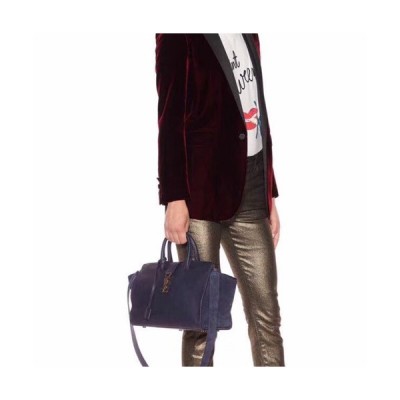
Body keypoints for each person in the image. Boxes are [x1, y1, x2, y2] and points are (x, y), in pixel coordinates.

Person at [155, 33, 285, 366]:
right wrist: (174, 197)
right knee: (200, 322)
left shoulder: (248, 30)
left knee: (267, 317)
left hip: (251, 186)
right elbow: (169, 117)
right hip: (198, 196)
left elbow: (256, 108)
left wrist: (269, 192)